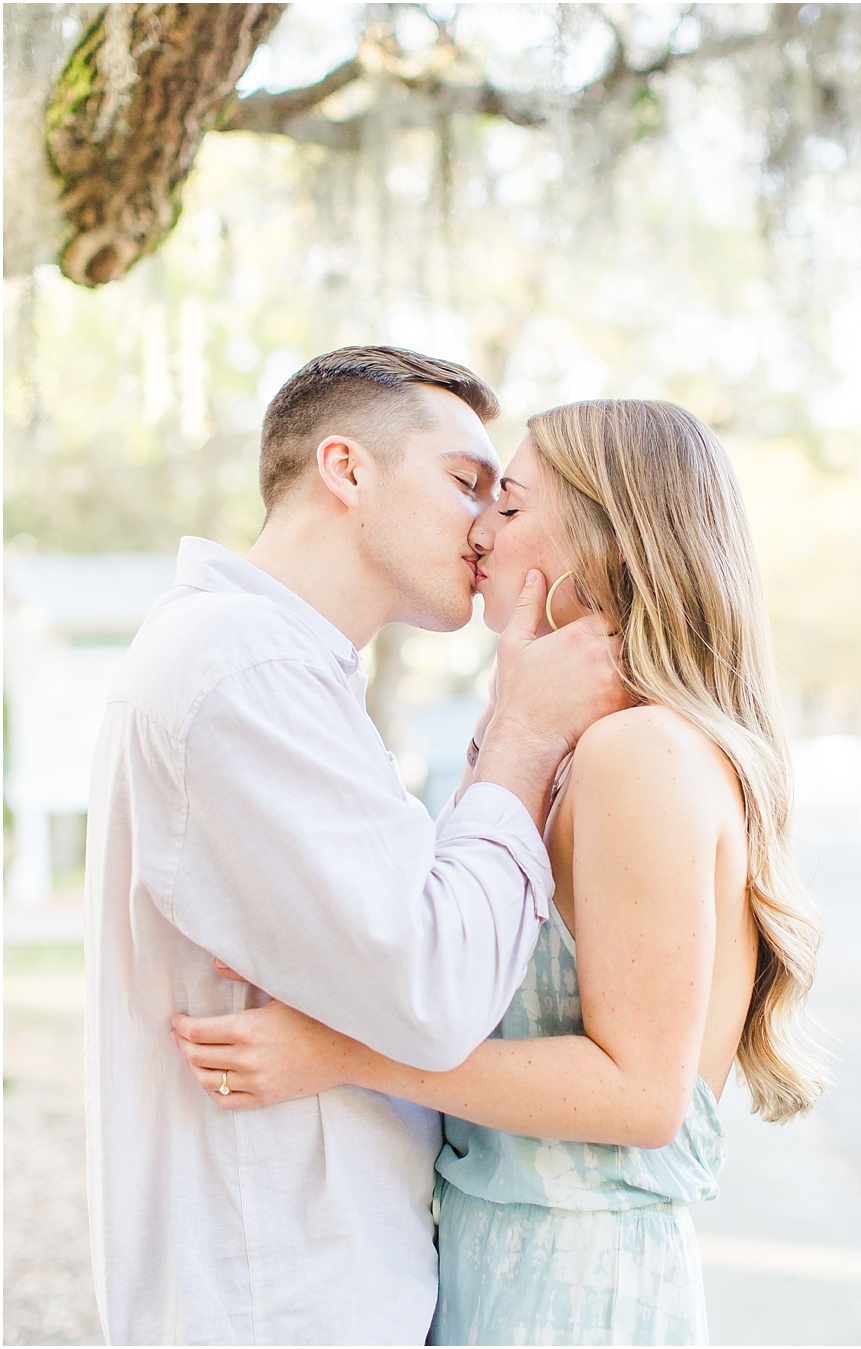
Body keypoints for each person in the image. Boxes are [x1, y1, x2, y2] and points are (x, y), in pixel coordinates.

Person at [171, 399, 827, 1345]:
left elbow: (643, 1096)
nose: (478, 527)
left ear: (607, 541)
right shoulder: (570, 747)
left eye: (509, 505)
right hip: (497, 1263)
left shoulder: (637, 753)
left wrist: (342, 1051)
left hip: (574, 1286)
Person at [85, 347, 625, 1344]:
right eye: (467, 483)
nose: (487, 525)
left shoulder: (287, 674)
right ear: (345, 468)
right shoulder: (238, 669)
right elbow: (435, 989)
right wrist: (522, 732)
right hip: (281, 1300)